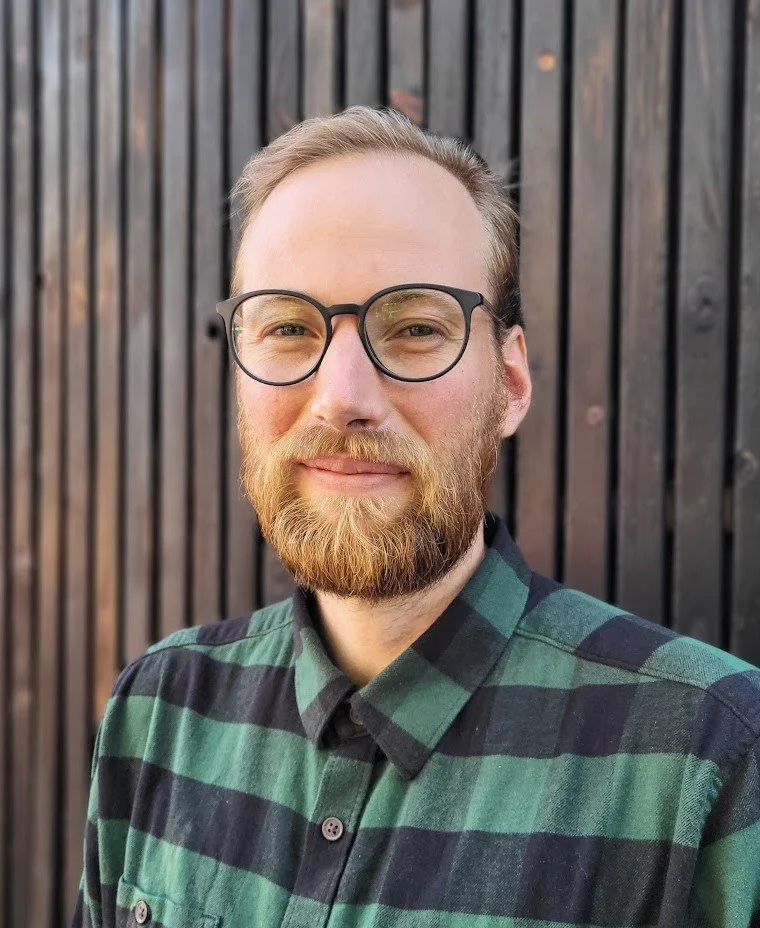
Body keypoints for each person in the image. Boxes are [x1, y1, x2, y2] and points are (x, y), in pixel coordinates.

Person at [72, 106, 760, 928]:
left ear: (510, 383)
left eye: (416, 327)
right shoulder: (160, 710)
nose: (344, 399)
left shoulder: (706, 759)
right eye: (289, 326)